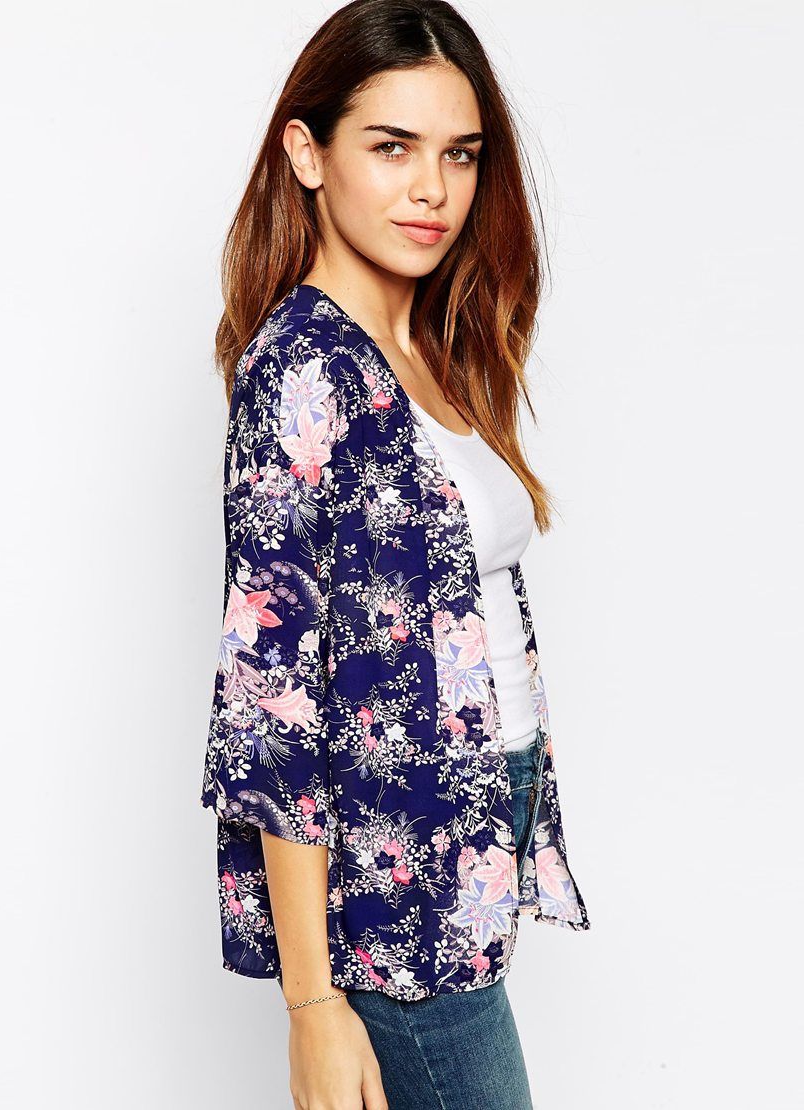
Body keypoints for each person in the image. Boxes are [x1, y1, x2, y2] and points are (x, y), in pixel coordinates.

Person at [199, 2, 591, 1106]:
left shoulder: (431, 347)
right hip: (391, 876)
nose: (433, 189)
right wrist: (312, 1005)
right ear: (307, 153)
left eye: (459, 154)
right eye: (392, 147)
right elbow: (271, 704)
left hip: (474, 818)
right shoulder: (304, 370)